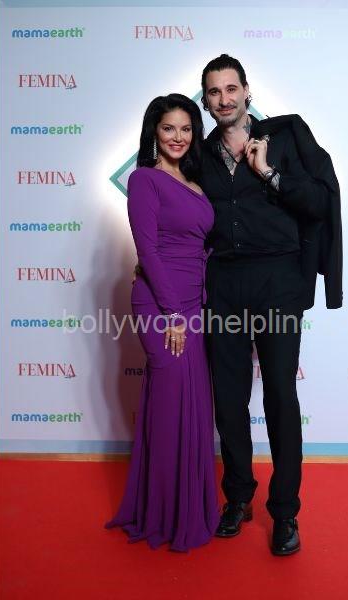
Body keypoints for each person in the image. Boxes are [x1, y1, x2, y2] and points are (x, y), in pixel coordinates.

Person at [198, 54, 343, 556]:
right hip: (223, 284)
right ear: (205, 100)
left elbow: (320, 202)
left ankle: (285, 512)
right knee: (228, 396)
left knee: (280, 394)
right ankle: (238, 496)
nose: (224, 99)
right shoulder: (200, 153)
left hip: (278, 281)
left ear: (247, 91)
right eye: (214, 92)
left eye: (231, 89)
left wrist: (268, 174)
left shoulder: (282, 139)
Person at [105, 94, 219, 551]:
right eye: (169, 128)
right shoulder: (144, 179)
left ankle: (186, 506)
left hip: (194, 305)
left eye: (186, 129)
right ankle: (163, 514)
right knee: (171, 406)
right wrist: (172, 314)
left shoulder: (195, 183)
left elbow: (200, 243)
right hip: (162, 307)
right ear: (154, 131)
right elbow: (148, 250)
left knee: (193, 406)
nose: (178, 137)